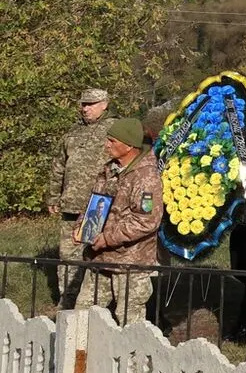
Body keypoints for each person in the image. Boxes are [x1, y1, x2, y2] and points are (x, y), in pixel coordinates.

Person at [74, 116, 161, 326]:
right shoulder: (109, 170)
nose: (107, 145)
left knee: (129, 325)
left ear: (129, 145)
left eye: (112, 141)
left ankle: (132, 360)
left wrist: (107, 238)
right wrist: (82, 227)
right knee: (81, 319)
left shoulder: (146, 177)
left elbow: (146, 220)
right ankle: (80, 358)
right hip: (100, 259)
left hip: (130, 263)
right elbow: (94, 202)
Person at [48, 87, 113, 307]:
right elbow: (58, 166)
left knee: (95, 254)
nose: (85, 108)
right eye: (83, 104)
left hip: (98, 205)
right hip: (70, 204)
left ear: (104, 104)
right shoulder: (71, 133)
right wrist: (53, 197)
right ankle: (66, 301)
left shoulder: (113, 130)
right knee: (68, 256)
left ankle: (93, 305)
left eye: (90, 104)